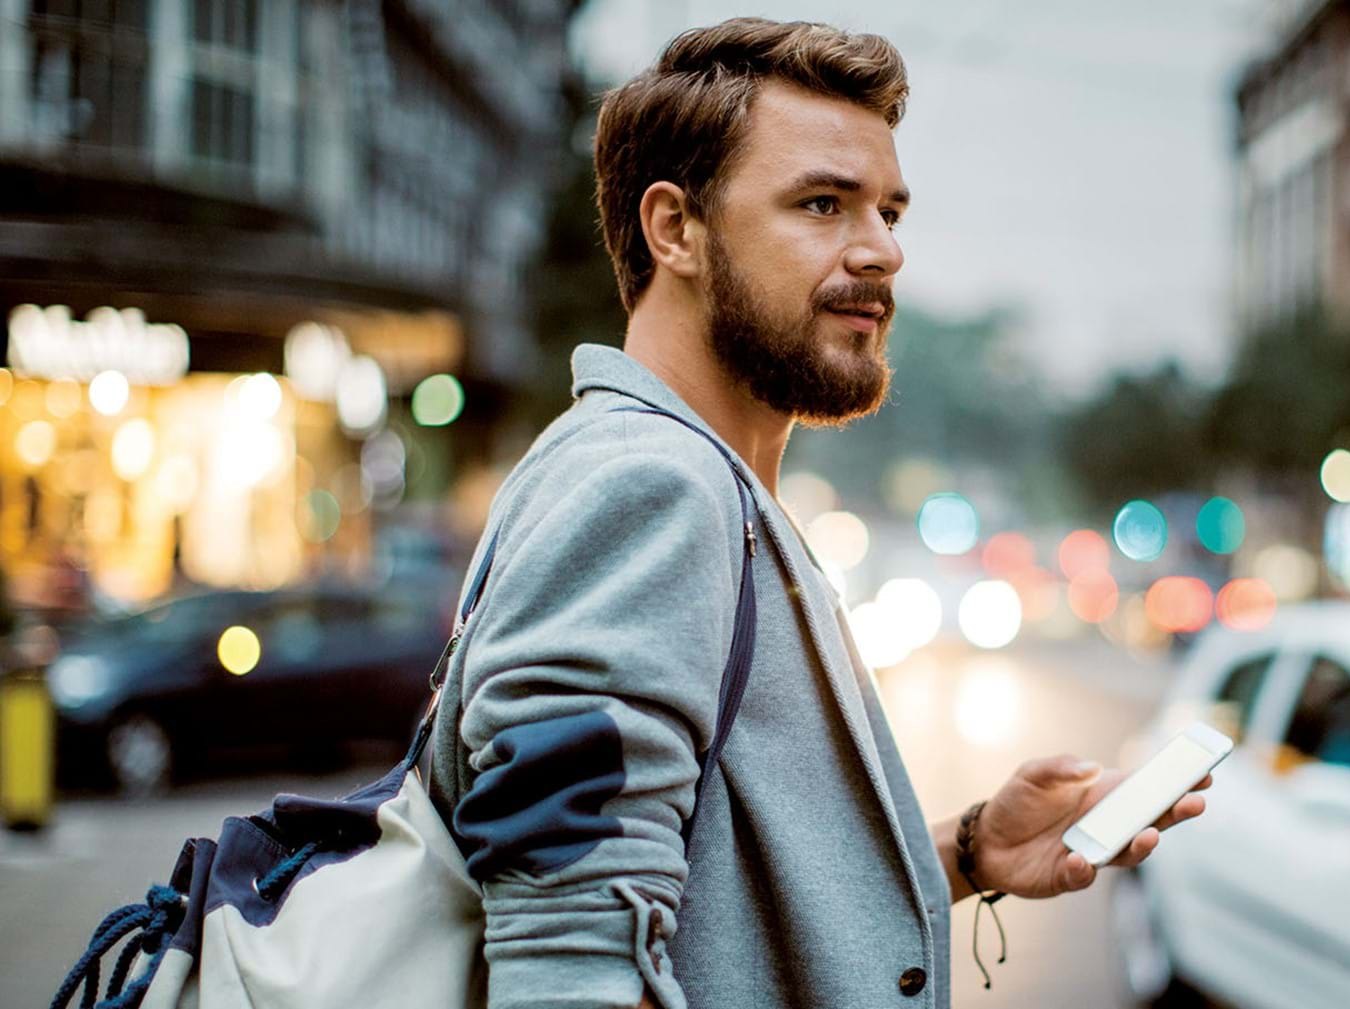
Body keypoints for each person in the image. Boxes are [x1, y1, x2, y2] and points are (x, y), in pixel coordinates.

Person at [427, 17, 1210, 1009]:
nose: (882, 251)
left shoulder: (698, 484)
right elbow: (571, 967)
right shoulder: (648, 491)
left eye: (889, 211)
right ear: (676, 230)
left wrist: (967, 850)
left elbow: (704, 899)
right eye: (824, 204)